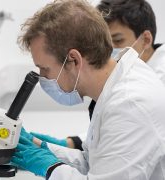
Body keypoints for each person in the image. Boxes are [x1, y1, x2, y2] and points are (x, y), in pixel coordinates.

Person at [11, 0, 165, 179]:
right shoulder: (114, 85)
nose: (42, 77)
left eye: (45, 68)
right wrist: (41, 148)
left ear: (74, 60)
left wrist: (46, 164)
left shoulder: (129, 104)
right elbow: (93, 162)